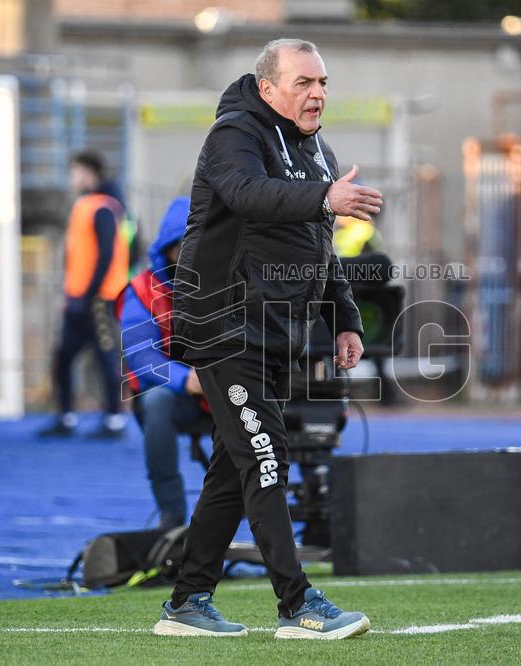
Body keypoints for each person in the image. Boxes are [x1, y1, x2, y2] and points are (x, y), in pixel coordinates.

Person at [155, 38, 383, 640]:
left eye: (323, 83)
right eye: (304, 82)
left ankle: (186, 602)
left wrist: (345, 318)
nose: (317, 94)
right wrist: (323, 196)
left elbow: (320, 244)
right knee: (265, 458)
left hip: (275, 333)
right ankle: (298, 605)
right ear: (267, 88)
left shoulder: (316, 152)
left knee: (234, 469)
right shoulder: (234, 133)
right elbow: (247, 194)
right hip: (224, 325)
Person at [119, 196, 209, 531]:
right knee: (157, 403)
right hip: (177, 396)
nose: (192, 253)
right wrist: (187, 381)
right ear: (168, 247)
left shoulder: (235, 282)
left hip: (229, 388)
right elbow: (141, 356)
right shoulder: (141, 290)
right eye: (183, 244)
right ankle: (171, 516)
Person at [39, 151, 130, 440]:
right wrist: (70, 294)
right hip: (77, 298)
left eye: (76, 171)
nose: (72, 178)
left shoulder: (103, 207)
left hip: (99, 299)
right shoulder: (84, 205)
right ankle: (65, 416)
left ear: (91, 174)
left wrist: (89, 294)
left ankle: (115, 420)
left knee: (106, 357)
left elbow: (106, 255)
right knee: (63, 355)